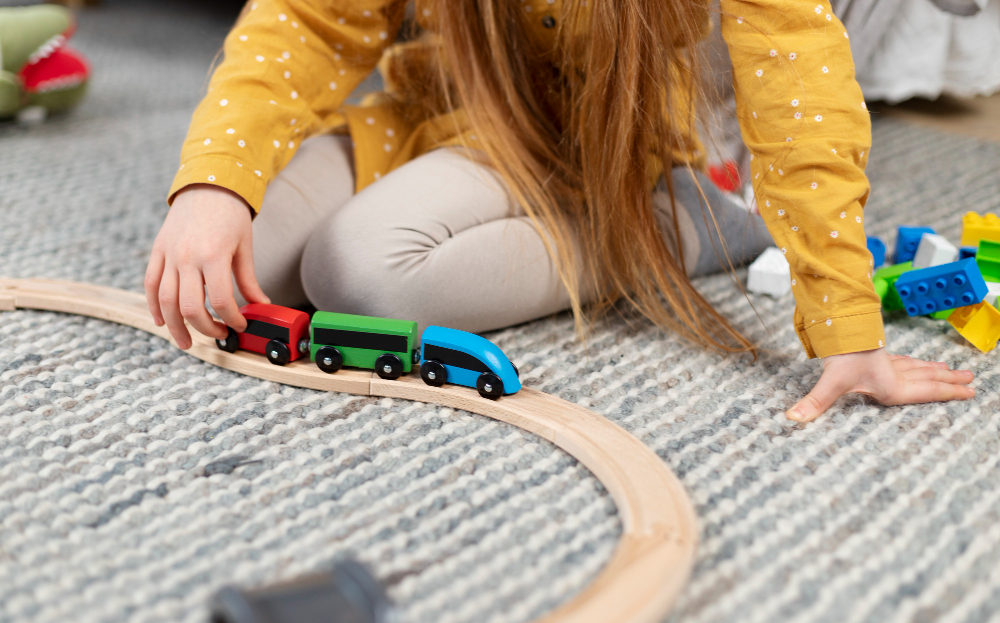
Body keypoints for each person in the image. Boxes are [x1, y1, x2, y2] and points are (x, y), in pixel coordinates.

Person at [144, 0, 975, 423]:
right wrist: (216, 186)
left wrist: (846, 322)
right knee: (254, 260)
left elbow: (801, 89)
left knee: (356, 271)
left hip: (598, 157)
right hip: (444, 108)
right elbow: (311, 23)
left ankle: (692, 223)